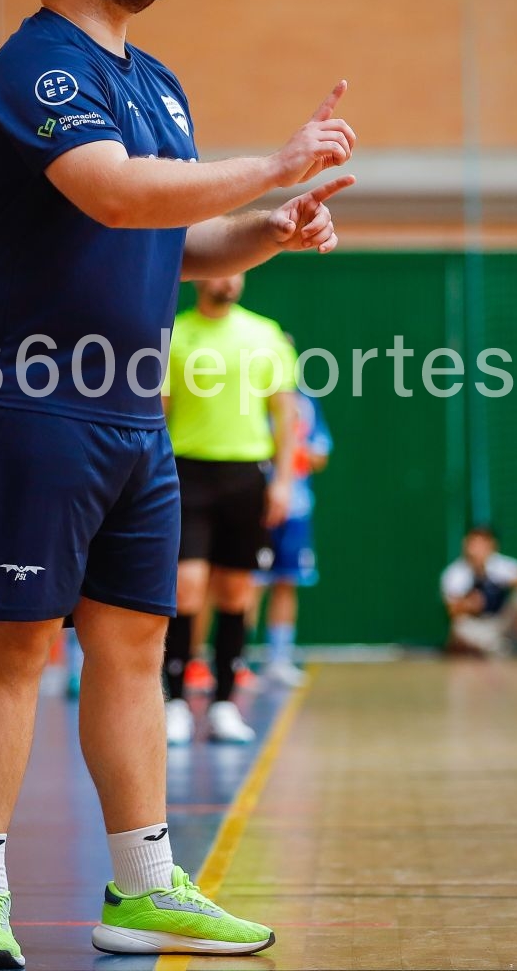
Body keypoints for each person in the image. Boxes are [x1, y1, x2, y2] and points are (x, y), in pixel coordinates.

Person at [0, 0, 355, 964]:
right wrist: (270, 162)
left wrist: (270, 225)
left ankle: (145, 886)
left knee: (134, 644)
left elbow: (170, 238)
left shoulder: (159, 81)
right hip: (22, 400)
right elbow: (113, 191)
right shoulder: (38, 64)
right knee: (17, 641)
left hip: (128, 411)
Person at [161, 274, 297, 745]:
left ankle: (223, 704)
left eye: (239, 270)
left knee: (237, 592)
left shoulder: (266, 334)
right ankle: (175, 700)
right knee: (186, 587)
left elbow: (286, 415)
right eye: (222, 267)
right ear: (201, 275)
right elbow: (158, 411)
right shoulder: (173, 333)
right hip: (187, 473)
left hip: (245, 476)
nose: (230, 278)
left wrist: (282, 482)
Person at [255, 386, 332, 687]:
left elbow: (320, 454)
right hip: (256, 506)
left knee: (287, 581)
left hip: (297, 508)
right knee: (251, 584)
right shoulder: (250, 397)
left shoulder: (307, 401)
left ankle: (279, 659)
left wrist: (292, 452)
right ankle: (238, 663)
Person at [441, 525, 517, 661]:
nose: (476, 549)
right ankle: (496, 647)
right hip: (482, 627)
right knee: (460, 627)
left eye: (482, 544)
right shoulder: (454, 574)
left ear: (491, 545)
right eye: (473, 543)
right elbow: (452, 611)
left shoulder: (501, 565)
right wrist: (469, 604)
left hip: (505, 621)